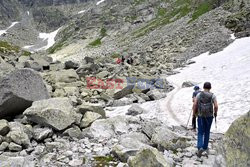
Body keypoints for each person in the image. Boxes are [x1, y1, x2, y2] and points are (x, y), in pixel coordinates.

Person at [192, 82, 218, 158]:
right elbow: (216, 106)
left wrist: (194, 113)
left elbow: (195, 104)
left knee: (200, 132)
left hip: (200, 116)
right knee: (207, 131)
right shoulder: (213, 95)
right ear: (210, 88)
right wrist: (215, 113)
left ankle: (199, 147)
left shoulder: (199, 95)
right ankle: (205, 147)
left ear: (203, 87)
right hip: (209, 116)